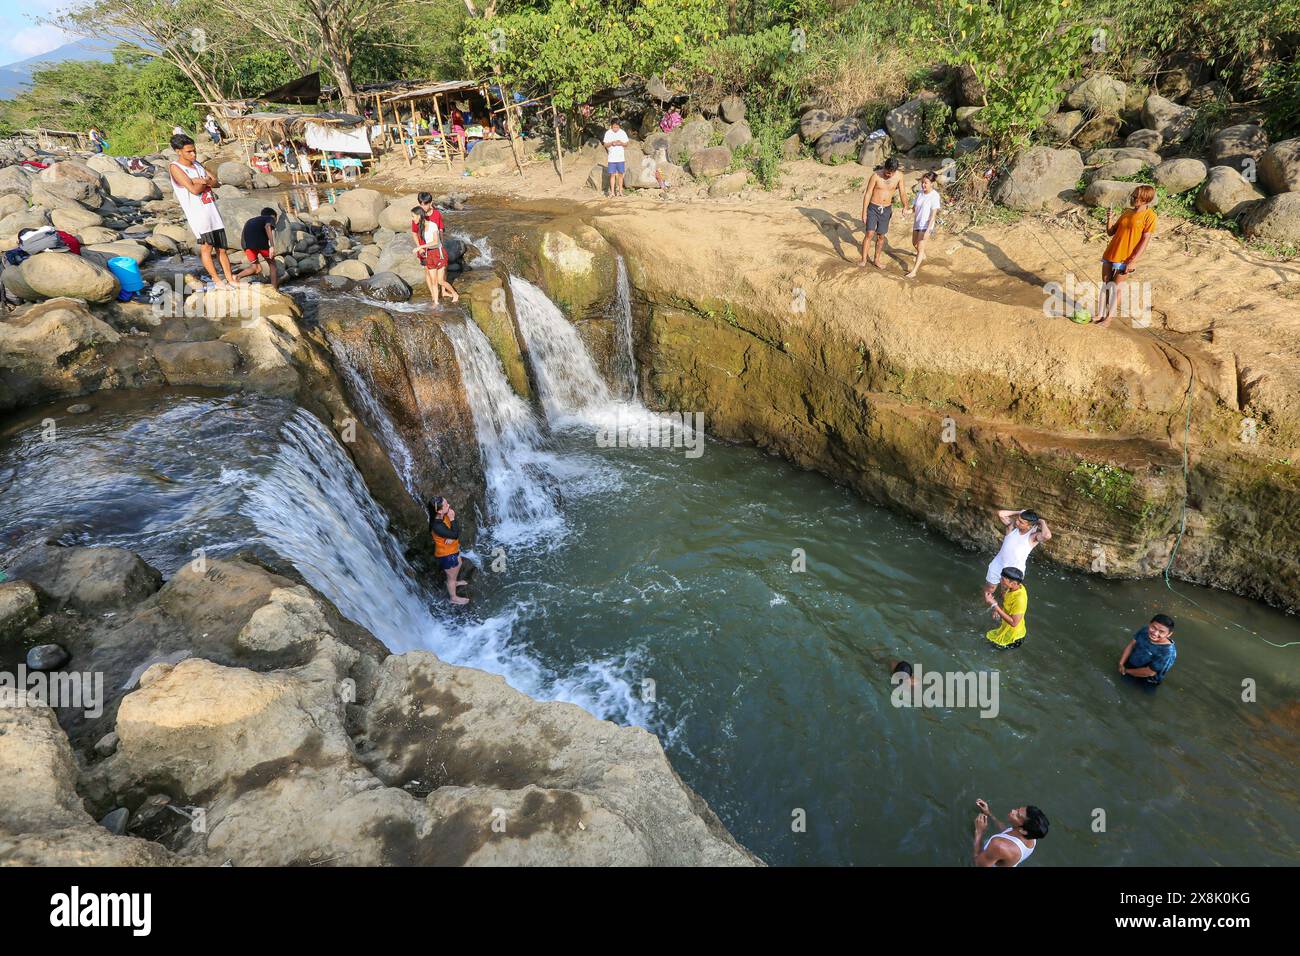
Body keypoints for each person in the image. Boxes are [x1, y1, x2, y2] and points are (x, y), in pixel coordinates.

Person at [168, 134, 235, 287]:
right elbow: (193, 189)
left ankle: (230, 278)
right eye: (189, 152)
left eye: (194, 151)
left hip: (212, 211)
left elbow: (215, 182)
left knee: (222, 248)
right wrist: (203, 182)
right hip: (199, 215)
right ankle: (217, 280)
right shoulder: (175, 167)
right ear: (178, 151)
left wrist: (202, 181)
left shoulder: (197, 164)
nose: (193, 154)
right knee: (207, 248)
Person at [1097, 184, 1157, 327]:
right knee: (1106, 285)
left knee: (1116, 288)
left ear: (1145, 199)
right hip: (1111, 253)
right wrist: (1110, 219)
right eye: (1133, 195)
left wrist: (1133, 261)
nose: (1133, 198)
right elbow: (1111, 232)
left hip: (1126, 258)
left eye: (1136, 197)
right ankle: (1100, 314)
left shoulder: (1150, 216)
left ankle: (1108, 319)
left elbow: (1144, 241)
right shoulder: (1127, 212)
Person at [982, 508, 1050, 602]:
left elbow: (1047, 536)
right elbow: (1000, 513)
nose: (1017, 522)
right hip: (998, 564)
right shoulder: (1012, 527)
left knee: (1005, 593)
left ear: (1029, 526)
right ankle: (985, 602)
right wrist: (1019, 512)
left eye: (1021, 522)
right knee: (990, 588)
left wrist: (1042, 522)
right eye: (1018, 519)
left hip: (1014, 570)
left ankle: (1000, 608)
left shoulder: (1032, 536)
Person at [858, 157, 906, 268]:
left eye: (891, 173)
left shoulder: (899, 176)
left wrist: (905, 206)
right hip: (873, 208)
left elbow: (902, 193)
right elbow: (868, 194)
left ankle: (876, 260)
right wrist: (864, 212)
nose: (888, 175)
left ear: (895, 171)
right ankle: (864, 259)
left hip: (886, 209)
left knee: (881, 236)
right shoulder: (875, 176)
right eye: (887, 172)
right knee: (869, 233)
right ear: (884, 167)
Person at [412, 193, 458, 306]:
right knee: (428, 272)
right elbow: (414, 233)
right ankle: (434, 297)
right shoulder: (417, 215)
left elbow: (440, 230)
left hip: (436, 248)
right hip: (425, 250)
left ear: (430, 203)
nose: (423, 206)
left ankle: (444, 291)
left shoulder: (436, 215)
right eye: (421, 204)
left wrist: (441, 244)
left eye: (425, 204)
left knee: (441, 275)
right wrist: (420, 248)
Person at [972, 799, 1048, 867]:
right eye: (1018, 809)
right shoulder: (1032, 836)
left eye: (1017, 815)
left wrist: (979, 832)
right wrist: (989, 813)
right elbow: (1008, 831)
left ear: (1023, 831)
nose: (1013, 811)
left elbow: (978, 864)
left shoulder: (999, 846)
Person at [429, 496, 469, 605]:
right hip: (446, 554)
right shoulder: (437, 525)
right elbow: (455, 534)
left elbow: (452, 534)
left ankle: (454, 582)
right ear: (440, 510)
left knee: (459, 562)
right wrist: (452, 519)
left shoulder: (441, 515)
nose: (449, 506)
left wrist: (450, 537)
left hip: (452, 549)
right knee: (451, 577)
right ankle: (453, 597)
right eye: (446, 505)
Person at [1118, 614, 1178, 685]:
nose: (1155, 633)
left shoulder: (1167, 652)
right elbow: (1131, 644)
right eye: (1153, 627)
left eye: (1161, 632)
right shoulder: (1145, 631)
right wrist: (1121, 663)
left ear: (1169, 634)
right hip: (1129, 666)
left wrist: (1126, 671)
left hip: (1146, 680)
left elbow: (1149, 672)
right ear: (1150, 624)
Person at [232, 206, 279, 290]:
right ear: (273, 216)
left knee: (256, 268)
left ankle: (237, 276)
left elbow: (243, 235)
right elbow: (268, 226)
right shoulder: (269, 218)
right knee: (272, 265)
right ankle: (274, 289)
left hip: (247, 245)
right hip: (261, 244)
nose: (275, 222)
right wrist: (272, 246)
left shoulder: (250, 220)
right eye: (275, 219)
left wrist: (245, 248)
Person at [905, 171, 941, 278]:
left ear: (932, 184)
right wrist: (906, 212)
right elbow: (914, 209)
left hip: (926, 225)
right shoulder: (919, 194)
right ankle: (922, 255)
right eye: (922, 182)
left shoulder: (934, 196)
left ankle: (914, 271)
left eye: (926, 183)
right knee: (914, 243)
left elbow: (933, 215)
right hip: (917, 223)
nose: (923, 185)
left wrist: (928, 230)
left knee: (920, 247)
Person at [984, 567, 1027, 648]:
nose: (1000, 580)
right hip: (1005, 629)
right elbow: (1005, 598)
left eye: (1003, 579)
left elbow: (1014, 623)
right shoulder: (1012, 588)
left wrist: (995, 606)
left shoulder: (1020, 600)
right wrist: (998, 608)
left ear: (1013, 583)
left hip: (1014, 638)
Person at [603, 119, 630, 198]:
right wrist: (611, 143)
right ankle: (612, 192)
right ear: (611, 126)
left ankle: (620, 191)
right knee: (612, 175)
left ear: (619, 126)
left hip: (620, 158)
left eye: (617, 127)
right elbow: (605, 144)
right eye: (614, 127)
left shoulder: (622, 133)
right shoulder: (608, 133)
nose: (615, 129)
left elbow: (626, 144)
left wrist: (620, 143)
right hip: (611, 158)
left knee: (621, 174)